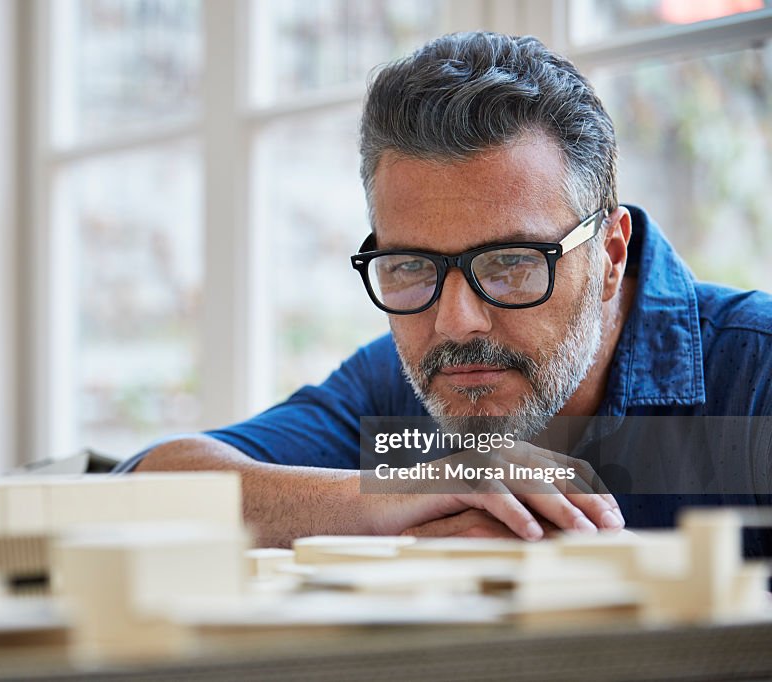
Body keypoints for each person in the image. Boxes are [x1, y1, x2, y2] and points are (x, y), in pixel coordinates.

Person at [118, 31, 772, 550]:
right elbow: (147, 488)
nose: (456, 323)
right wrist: (398, 491)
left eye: (512, 264)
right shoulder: (390, 388)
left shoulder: (757, 374)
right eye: (410, 267)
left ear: (609, 253)